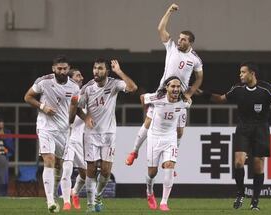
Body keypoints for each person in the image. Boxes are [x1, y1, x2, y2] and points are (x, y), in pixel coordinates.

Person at [202, 62, 271, 211]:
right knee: (238, 162)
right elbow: (220, 99)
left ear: (252, 74)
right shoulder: (238, 89)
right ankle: (240, 193)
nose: (240, 75)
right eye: (240, 72)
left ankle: (255, 201)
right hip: (243, 128)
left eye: (243, 72)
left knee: (258, 165)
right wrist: (202, 93)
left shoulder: (267, 88)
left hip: (261, 129)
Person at [125, 3, 203, 166]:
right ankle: (134, 151)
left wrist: (189, 93)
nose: (179, 41)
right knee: (148, 121)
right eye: (179, 38)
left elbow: (199, 78)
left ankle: (173, 159)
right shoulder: (172, 48)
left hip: (180, 97)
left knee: (180, 131)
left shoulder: (195, 59)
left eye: (183, 39)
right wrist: (169, 11)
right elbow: (161, 29)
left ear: (190, 42)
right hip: (163, 92)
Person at [72, 58, 137, 212]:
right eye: (95, 68)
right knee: (92, 169)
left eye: (100, 68)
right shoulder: (87, 88)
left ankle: (98, 196)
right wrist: (86, 117)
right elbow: (77, 107)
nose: (96, 71)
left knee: (106, 171)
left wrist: (119, 71)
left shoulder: (113, 84)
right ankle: (90, 204)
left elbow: (133, 87)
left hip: (109, 134)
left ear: (107, 71)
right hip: (91, 135)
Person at [24, 55, 80, 213]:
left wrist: (72, 122)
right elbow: (27, 97)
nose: (61, 71)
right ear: (53, 68)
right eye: (59, 68)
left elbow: (74, 107)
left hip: (63, 130)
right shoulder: (44, 81)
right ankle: (50, 202)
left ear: (68, 69)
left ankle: (55, 194)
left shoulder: (74, 87)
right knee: (49, 159)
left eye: (64, 68)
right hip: (45, 127)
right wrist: (43, 107)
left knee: (59, 165)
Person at [142, 76, 191, 211]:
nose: (175, 89)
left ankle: (164, 202)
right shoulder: (157, 98)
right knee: (152, 172)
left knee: (170, 166)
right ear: (166, 87)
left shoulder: (184, 103)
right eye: (172, 86)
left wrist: (178, 137)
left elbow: (181, 126)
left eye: (178, 86)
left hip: (170, 138)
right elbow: (142, 98)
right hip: (154, 137)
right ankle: (149, 191)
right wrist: (148, 114)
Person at [59, 68, 86, 211]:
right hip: (67, 138)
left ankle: (74, 192)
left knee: (85, 174)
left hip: (80, 141)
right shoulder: (65, 95)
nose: (82, 77)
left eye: (81, 75)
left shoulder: (86, 95)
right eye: (78, 75)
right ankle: (66, 202)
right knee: (67, 169)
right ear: (70, 79)